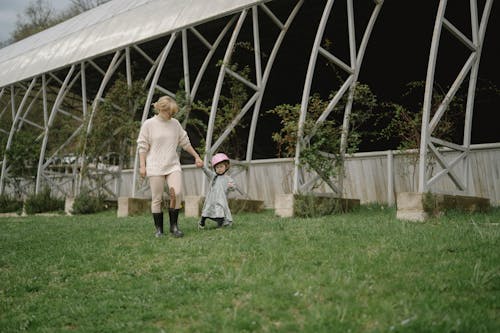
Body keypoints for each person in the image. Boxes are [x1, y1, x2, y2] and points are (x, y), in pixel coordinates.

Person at [137, 95, 203, 238]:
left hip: (173, 165)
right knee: (157, 198)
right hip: (155, 167)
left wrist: (197, 156)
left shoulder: (175, 124)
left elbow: (185, 142)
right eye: (170, 112)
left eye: (174, 113)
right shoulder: (149, 124)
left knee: (177, 193)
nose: (172, 115)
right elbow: (142, 146)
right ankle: (159, 230)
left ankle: (174, 227)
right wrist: (142, 166)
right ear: (161, 109)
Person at [198, 153, 238, 229]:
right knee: (206, 211)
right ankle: (201, 223)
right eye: (217, 167)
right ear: (215, 168)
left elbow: (233, 187)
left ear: (226, 167)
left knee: (220, 212)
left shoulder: (228, 179)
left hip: (221, 199)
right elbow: (207, 171)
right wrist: (203, 166)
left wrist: (231, 186)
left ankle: (219, 225)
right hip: (211, 199)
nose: (219, 169)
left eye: (221, 166)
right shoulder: (214, 176)